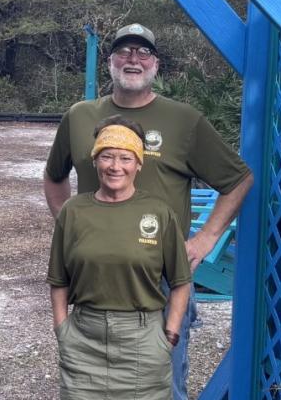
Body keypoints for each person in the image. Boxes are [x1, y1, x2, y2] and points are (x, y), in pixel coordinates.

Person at [44, 23, 255, 399]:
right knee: (87, 387)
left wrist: (205, 239)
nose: (133, 59)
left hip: (159, 281)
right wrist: (68, 228)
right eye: (124, 51)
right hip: (93, 281)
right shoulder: (78, 117)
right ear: (110, 61)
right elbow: (54, 176)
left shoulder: (184, 120)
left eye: (143, 53)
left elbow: (238, 180)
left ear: (155, 64)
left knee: (164, 387)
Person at [48, 116, 192, 399]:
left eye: (126, 158)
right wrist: (62, 330)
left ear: (138, 163)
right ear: (95, 161)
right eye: (107, 157)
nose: (116, 166)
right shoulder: (73, 211)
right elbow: (58, 279)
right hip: (84, 338)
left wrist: (170, 336)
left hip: (144, 340)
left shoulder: (159, 213)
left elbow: (180, 281)